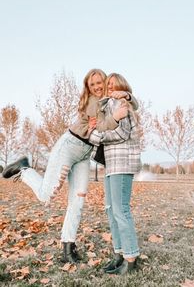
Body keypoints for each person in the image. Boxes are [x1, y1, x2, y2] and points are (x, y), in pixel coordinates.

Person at [2, 69, 132, 264]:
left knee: (78, 201)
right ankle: (24, 169)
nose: (97, 87)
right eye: (92, 84)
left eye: (99, 82)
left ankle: (67, 248)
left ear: (105, 82)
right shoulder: (92, 102)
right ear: (88, 88)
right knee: (46, 194)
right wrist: (115, 118)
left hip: (84, 154)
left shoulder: (108, 100)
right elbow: (104, 126)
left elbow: (121, 112)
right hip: (69, 146)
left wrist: (126, 95)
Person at [88, 73, 141, 275]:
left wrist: (97, 136)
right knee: (111, 210)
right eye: (108, 83)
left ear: (121, 87)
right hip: (111, 165)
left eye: (113, 84)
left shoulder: (121, 103)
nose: (110, 87)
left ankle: (130, 258)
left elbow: (122, 133)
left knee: (121, 211)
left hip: (123, 162)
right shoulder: (108, 104)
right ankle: (119, 254)